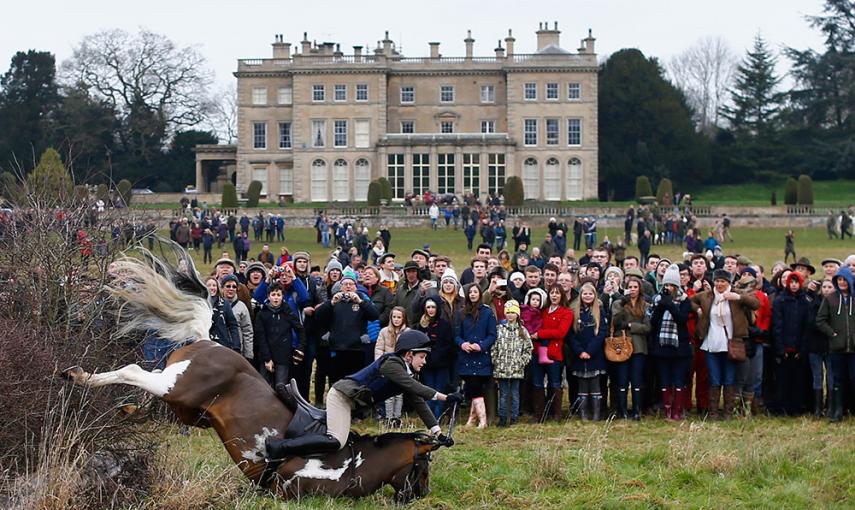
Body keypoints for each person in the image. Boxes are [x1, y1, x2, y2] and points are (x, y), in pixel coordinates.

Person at [265, 330, 463, 458]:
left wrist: (438, 433)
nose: (425, 362)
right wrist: (445, 397)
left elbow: (420, 404)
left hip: (350, 403)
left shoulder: (406, 374)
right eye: (422, 357)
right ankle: (280, 447)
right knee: (336, 441)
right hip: (342, 397)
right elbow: (414, 387)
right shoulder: (391, 363)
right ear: (408, 354)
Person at [691, 269, 760, 419]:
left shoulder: (735, 294)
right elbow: (692, 300)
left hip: (731, 343)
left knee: (729, 379)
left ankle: (728, 412)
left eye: (723, 281)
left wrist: (739, 297)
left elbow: (756, 304)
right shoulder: (707, 295)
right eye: (717, 281)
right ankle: (714, 412)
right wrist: (698, 310)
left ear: (728, 282)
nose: (720, 284)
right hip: (711, 342)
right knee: (714, 378)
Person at [650, 265, 693, 420]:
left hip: (680, 347)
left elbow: (681, 320)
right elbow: (653, 322)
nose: (668, 288)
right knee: (664, 378)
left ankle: (677, 410)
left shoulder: (685, 300)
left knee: (679, 379)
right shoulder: (658, 300)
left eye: (672, 285)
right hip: (662, 346)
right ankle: (667, 410)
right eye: (666, 285)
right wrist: (661, 306)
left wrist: (671, 305)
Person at [815, 267, 855, 422]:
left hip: (853, 348)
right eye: (839, 280)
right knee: (837, 380)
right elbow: (820, 320)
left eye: (844, 280)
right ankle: (837, 411)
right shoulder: (831, 298)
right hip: (837, 348)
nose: (842, 283)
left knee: (853, 378)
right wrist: (832, 333)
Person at [456, 283, 497, 428]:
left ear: (480, 294)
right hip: (466, 356)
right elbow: (457, 335)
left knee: (476, 386)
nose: (473, 294)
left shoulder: (487, 312)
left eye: (475, 292)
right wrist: (463, 344)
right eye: (470, 292)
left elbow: (492, 335)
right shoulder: (461, 313)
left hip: (481, 356)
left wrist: (481, 345)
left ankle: (482, 420)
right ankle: (474, 419)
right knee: (473, 386)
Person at [609, 275, 650, 420]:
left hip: (638, 347)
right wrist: (622, 304)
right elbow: (616, 322)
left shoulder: (645, 305)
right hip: (622, 345)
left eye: (635, 287)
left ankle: (637, 410)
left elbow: (647, 327)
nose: (632, 290)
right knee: (622, 379)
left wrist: (631, 326)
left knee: (637, 379)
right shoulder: (618, 303)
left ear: (640, 289)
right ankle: (623, 410)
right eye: (630, 287)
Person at [255, 281, 306, 397]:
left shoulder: (288, 312)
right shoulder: (262, 314)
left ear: (283, 296)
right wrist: (267, 358)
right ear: (268, 296)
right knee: (264, 388)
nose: (276, 298)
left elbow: (300, 329)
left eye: (278, 295)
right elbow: (260, 336)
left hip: (283, 356)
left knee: (281, 387)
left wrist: (300, 347)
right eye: (273, 295)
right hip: (266, 355)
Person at [771, 271, 810, 416]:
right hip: (784, 348)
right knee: (782, 379)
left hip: (799, 348)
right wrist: (781, 348)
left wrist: (802, 348)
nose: (793, 285)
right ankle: (781, 408)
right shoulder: (780, 301)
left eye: (796, 282)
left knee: (798, 380)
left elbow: (807, 326)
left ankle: (796, 407)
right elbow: (777, 326)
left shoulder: (805, 302)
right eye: (791, 282)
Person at [568, 282, 608, 421]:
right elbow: (571, 335)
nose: (587, 296)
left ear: (594, 295)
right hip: (579, 355)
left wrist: (590, 350)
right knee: (582, 386)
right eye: (585, 293)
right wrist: (580, 351)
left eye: (590, 293)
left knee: (596, 384)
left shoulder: (599, 312)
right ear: (581, 295)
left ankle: (596, 414)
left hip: (595, 355)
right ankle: (583, 413)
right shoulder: (575, 312)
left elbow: (602, 333)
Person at [492, 300, 532, 427]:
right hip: (502, 368)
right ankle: (502, 417)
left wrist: (522, 362)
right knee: (503, 394)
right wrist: (496, 360)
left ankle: (514, 417)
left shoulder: (522, 331)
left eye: (512, 312)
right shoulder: (499, 330)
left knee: (515, 393)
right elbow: (494, 347)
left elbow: (528, 348)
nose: (510, 315)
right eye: (508, 312)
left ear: (517, 314)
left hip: (516, 369)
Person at [416, 297, 456, 418]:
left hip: (441, 364)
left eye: (433, 307)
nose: (431, 310)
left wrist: (438, 355)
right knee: (428, 392)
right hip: (426, 365)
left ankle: (437, 418)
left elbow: (449, 345)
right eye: (428, 307)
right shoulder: (421, 325)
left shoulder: (444, 325)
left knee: (439, 392)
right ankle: (429, 419)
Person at [375, 307, 408, 427]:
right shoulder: (384, 331)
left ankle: (397, 418)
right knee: (388, 395)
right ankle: (389, 419)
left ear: (403, 318)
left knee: (399, 394)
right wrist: (380, 364)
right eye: (394, 317)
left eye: (399, 317)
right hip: (387, 366)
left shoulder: (408, 332)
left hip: (401, 367)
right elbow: (379, 349)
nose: (396, 319)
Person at [221, 274, 254, 364]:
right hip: (220, 349)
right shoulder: (217, 305)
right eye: (228, 286)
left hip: (237, 351)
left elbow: (248, 331)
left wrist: (248, 354)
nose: (231, 289)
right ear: (222, 287)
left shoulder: (242, 307)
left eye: (234, 286)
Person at [204, 277, 240, 353]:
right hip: (205, 344)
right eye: (209, 285)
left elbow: (233, 326)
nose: (212, 288)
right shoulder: (200, 304)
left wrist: (236, 345)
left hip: (222, 344)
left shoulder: (225, 304)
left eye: (214, 285)